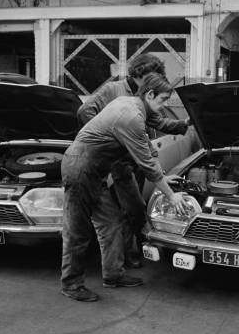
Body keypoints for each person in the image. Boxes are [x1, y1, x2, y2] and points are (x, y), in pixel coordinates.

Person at [61, 74, 188, 302]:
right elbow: (147, 164)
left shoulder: (132, 106)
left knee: (111, 223)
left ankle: (113, 276)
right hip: (80, 170)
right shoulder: (130, 115)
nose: (165, 104)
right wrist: (171, 196)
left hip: (94, 171)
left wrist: (164, 178)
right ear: (149, 94)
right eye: (163, 99)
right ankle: (71, 284)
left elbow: (147, 148)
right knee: (77, 231)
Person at [77, 54, 190, 269]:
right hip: (116, 164)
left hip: (134, 162)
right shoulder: (114, 90)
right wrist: (109, 143)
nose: (152, 81)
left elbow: (158, 122)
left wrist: (184, 123)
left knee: (132, 210)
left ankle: (127, 255)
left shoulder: (145, 97)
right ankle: (121, 260)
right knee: (123, 212)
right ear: (138, 73)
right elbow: (85, 112)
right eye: (150, 76)